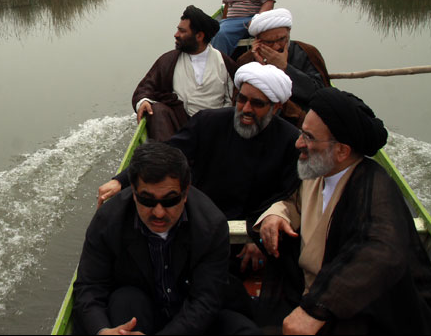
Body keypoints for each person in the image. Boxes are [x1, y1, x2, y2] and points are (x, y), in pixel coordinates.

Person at [253, 88, 431, 334]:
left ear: (342, 150)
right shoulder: (316, 171)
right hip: (305, 297)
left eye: (308, 137)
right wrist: (276, 214)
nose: (298, 143)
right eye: (301, 132)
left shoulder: (373, 184)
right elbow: (295, 201)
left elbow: (382, 249)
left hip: (355, 312)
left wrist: (315, 309)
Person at [99, 62, 300, 274]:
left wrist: (258, 238)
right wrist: (120, 181)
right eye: (242, 99)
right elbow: (168, 154)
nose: (246, 109)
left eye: (257, 103)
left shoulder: (291, 141)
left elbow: (287, 195)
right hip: (201, 221)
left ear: (276, 107)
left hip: (254, 229)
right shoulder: (210, 122)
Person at [73, 141, 259, 335]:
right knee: (126, 300)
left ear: (185, 193)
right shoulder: (108, 221)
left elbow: (205, 300)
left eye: (170, 200)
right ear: (134, 194)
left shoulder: (210, 225)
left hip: (191, 317)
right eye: (147, 200)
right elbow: (90, 286)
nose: (159, 213)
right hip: (139, 311)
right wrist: (102, 331)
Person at [132, 5, 238, 141]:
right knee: (156, 110)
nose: (176, 35)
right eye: (178, 30)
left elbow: (236, 97)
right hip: (181, 129)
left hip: (216, 129)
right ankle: (169, 158)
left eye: (182, 31)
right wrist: (143, 101)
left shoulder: (224, 62)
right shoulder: (169, 60)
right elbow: (146, 87)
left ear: (199, 36)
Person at [236, 8, 331, 127]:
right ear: (257, 41)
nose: (276, 47)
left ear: (289, 32)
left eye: (281, 39)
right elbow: (240, 100)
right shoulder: (246, 60)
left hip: (303, 122)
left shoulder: (307, 52)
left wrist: (285, 68)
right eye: (269, 42)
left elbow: (319, 93)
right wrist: (264, 68)